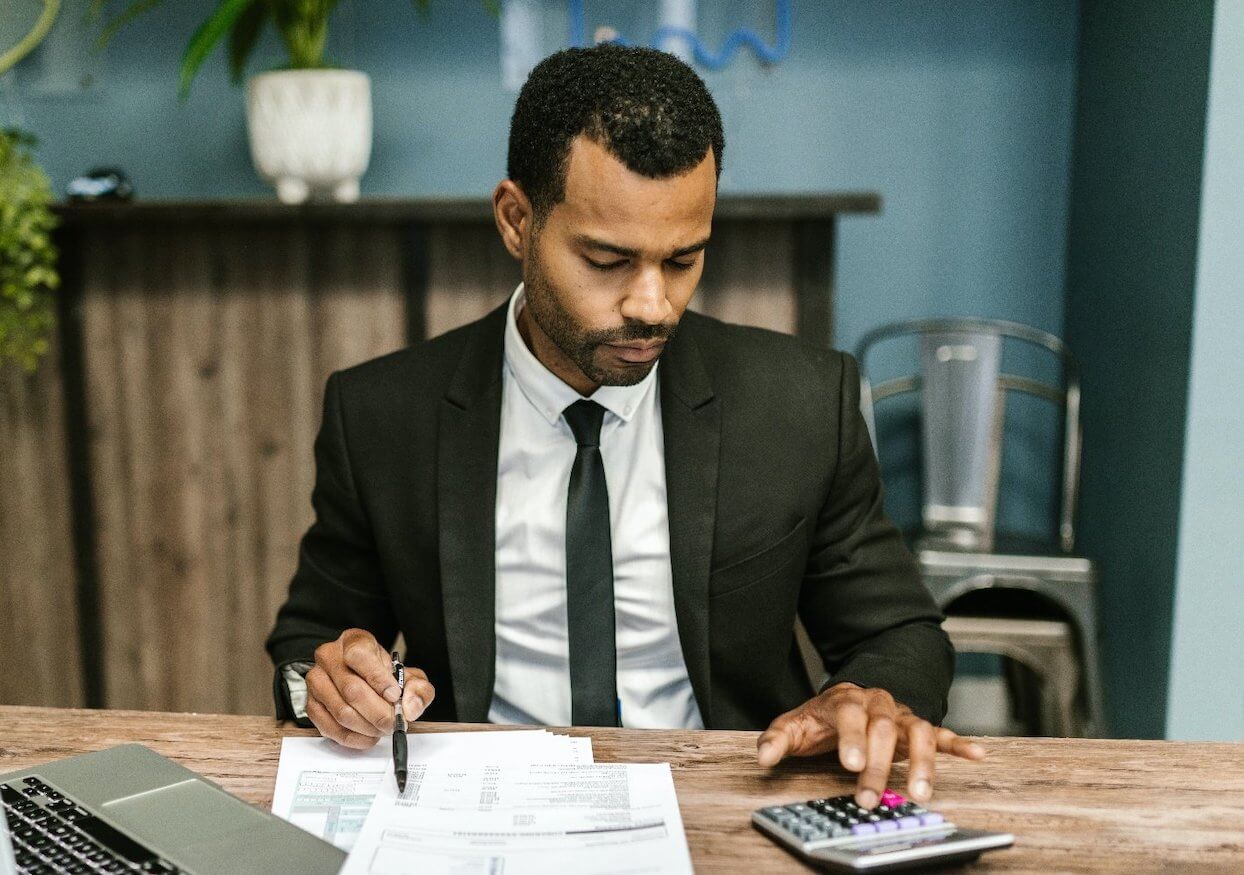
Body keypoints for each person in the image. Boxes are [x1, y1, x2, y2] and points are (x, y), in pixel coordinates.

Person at [267, 43, 983, 810]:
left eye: (683, 259)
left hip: (727, 804)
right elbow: (308, 645)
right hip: (476, 810)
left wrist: (868, 693)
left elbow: (903, 634)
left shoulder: (803, 403)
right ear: (517, 220)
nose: (652, 304)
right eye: (607, 260)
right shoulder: (382, 414)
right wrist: (329, 685)